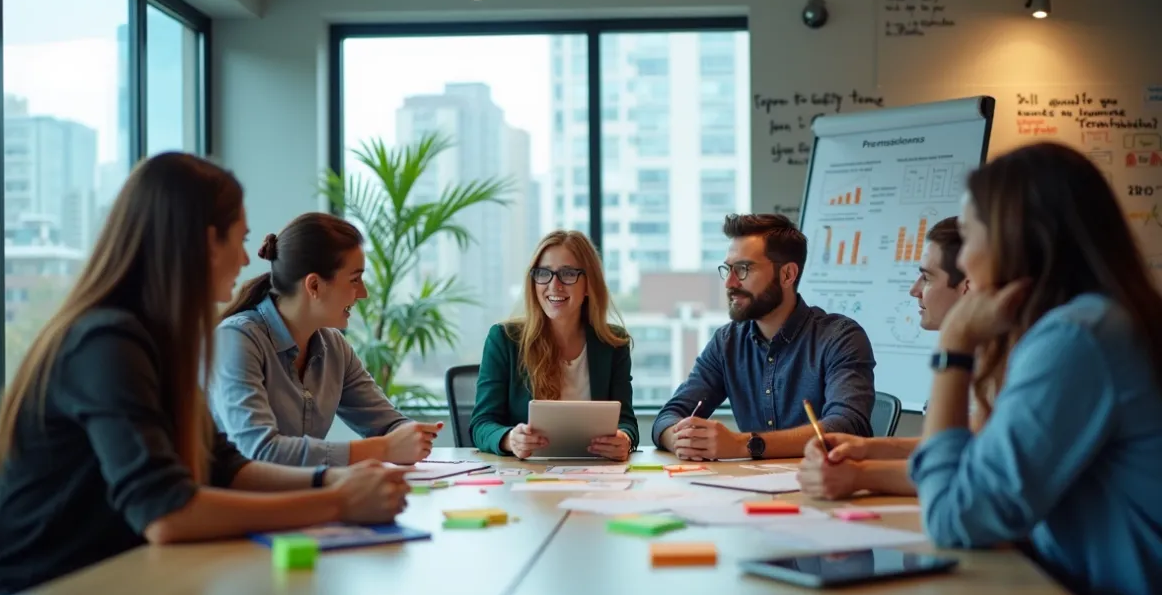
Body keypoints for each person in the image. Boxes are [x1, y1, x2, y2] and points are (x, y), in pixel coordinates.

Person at [0, 154, 409, 595]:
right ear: (203, 243)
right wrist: (338, 502)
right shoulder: (106, 342)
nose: (245, 258)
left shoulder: (157, 342)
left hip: (119, 586)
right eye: (238, 240)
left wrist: (330, 480)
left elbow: (227, 467)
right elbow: (166, 512)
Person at [908, 142, 1162, 595]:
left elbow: (951, 517)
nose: (964, 263)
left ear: (1014, 238)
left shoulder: (1077, 339)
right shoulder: (1102, 320)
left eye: (970, 235)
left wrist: (955, 344)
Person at [210, 212, 441, 467]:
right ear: (314, 286)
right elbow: (259, 451)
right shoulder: (237, 339)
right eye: (355, 279)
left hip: (301, 499)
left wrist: (412, 435)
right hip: (239, 503)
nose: (362, 293)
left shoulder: (334, 347)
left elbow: (388, 425)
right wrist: (383, 448)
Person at [652, 214, 876, 461]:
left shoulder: (840, 337)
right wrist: (682, 439)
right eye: (728, 269)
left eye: (743, 269)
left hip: (826, 487)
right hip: (751, 488)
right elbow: (668, 417)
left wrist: (744, 445)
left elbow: (846, 426)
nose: (729, 282)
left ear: (788, 275)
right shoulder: (727, 342)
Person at [798, 217, 968, 499]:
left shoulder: (1006, 364)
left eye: (926, 277)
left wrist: (859, 475)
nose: (914, 290)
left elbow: (961, 473)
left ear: (968, 287)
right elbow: (954, 445)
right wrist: (865, 449)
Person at [470, 230, 638, 461]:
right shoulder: (504, 339)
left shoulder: (612, 343)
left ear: (589, 284)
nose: (554, 285)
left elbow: (627, 422)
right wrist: (510, 438)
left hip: (596, 474)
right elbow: (481, 425)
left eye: (568, 274)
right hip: (525, 476)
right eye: (543, 273)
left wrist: (624, 440)